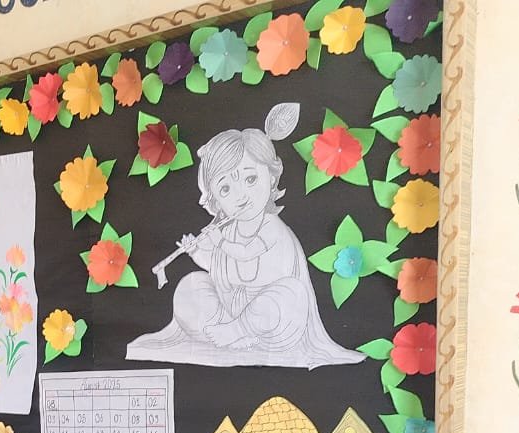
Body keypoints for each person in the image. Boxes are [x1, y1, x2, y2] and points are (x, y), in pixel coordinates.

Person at [126, 104, 363, 369]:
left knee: (290, 296)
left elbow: (247, 253)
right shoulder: (228, 229)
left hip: (271, 319)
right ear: (214, 200)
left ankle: (240, 330)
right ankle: (230, 332)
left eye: (250, 180)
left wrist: (220, 242)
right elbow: (217, 267)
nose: (240, 196)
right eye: (225, 189)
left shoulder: (271, 226)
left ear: (270, 178)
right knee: (190, 286)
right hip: (231, 308)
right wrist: (196, 251)